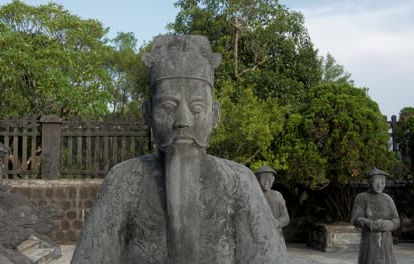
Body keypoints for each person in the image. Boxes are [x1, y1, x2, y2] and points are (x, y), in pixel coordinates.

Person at [71, 35, 287, 264]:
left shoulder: (238, 182)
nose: (183, 121)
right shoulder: (124, 181)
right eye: (168, 106)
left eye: (196, 107)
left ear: (214, 116)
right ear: (148, 113)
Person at [351, 167, 400, 264]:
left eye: (383, 182)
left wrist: (392, 224)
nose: (380, 185)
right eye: (376, 181)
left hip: (386, 243)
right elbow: (355, 219)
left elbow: (396, 219)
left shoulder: (387, 199)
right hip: (369, 242)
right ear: (369, 182)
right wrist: (372, 224)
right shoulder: (361, 197)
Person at [255, 165, 289, 249]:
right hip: (257, 237)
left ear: (273, 180)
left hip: (276, 237)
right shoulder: (253, 195)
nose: (267, 182)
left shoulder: (277, 195)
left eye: (269, 179)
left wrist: (277, 222)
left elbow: (286, 217)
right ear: (257, 179)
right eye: (263, 178)